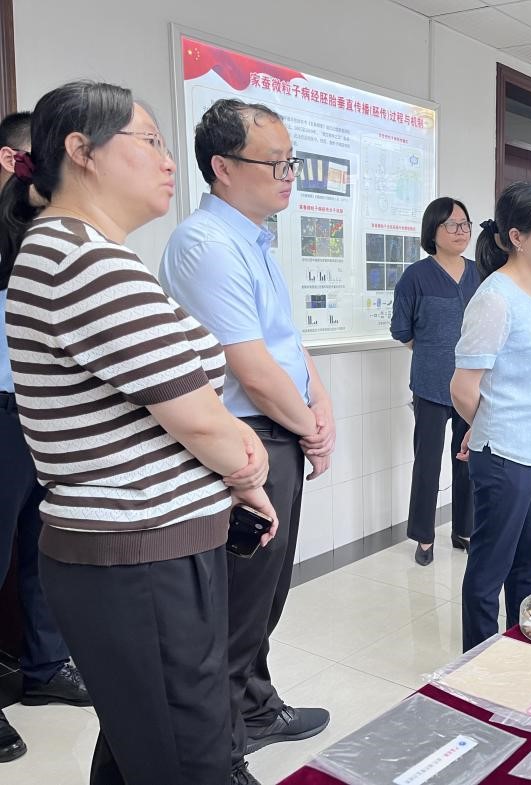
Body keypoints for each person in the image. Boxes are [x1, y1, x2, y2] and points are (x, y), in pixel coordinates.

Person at [0, 80, 277, 785]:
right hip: (140, 554)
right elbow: (195, 415)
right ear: (81, 150)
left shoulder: (69, 250)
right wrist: (247, 470)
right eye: (149, 141)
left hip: (136, 549)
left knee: (139, 747)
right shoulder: (86, 261)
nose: (167, 160)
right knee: (188, 757)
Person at [160, 98, 334, 773]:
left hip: (280, 429)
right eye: (276, 163)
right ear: (223, 166)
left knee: (264, 596)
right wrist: (311, 430)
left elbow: (286, 345)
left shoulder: (254, 239)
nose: (290, 175)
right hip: (249, 440)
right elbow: (251, 369)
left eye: (292, 162)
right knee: (236, 608)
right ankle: (223, 752)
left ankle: (256, 706)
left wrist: (320, 405)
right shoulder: (206, 244)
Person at [0, 110, 91, 764]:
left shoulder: (48, 230)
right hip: (1, 408)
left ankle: (45, 665)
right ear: (14, 162)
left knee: (41, 541)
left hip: (45, 413)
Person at [451, 181, 531, 651]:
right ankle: (479, 663)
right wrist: (484, 428)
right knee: (490, 569)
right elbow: (463, 387)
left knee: (530, 561)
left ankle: (524, 652)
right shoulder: (494, 298)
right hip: (506, 455)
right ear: (517, 236)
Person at [390, 197, 479, 566]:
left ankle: (464, 531)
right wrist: (432, 353)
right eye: (451, 224)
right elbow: (402, 330)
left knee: (468, 459)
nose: (461, 231)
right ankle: (424, 536)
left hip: (471, 386)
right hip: (429, 386)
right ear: (433, 231)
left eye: (465, 224)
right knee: (427, 462)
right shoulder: (416, 276)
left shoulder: (480, 274)